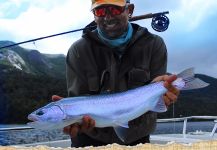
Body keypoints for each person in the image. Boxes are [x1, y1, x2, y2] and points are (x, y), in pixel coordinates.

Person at [53, 0, 180, 147]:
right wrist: (75, 122)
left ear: (130, 10)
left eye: (114, 9)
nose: (108, 17)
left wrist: (163, 90)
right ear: (93, 15)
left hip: (137, 137)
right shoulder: (78, 50)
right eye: (100, 11)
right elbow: (78, 98)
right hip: (89, 136)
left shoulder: (153, 44)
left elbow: (158, 92)